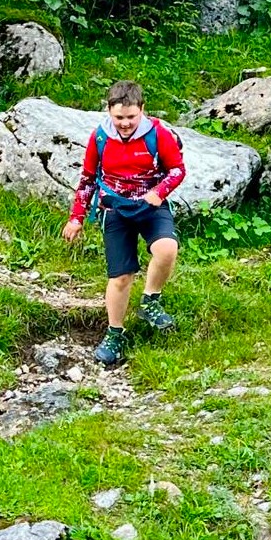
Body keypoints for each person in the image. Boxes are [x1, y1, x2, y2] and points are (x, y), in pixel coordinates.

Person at [62, 80, 186, 365]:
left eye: (131, 117)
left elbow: (177, 169)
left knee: (167, 249)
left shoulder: (159, 134)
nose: (126, 123)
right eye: (119, 117)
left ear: (142, 110)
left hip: (150, 205)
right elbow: (88, 179)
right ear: (108, 111)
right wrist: (76, 218)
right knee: (120, 277)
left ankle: (150, 302)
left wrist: (159, 192)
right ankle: (115, 335)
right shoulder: (100, 137)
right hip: (115, 209)